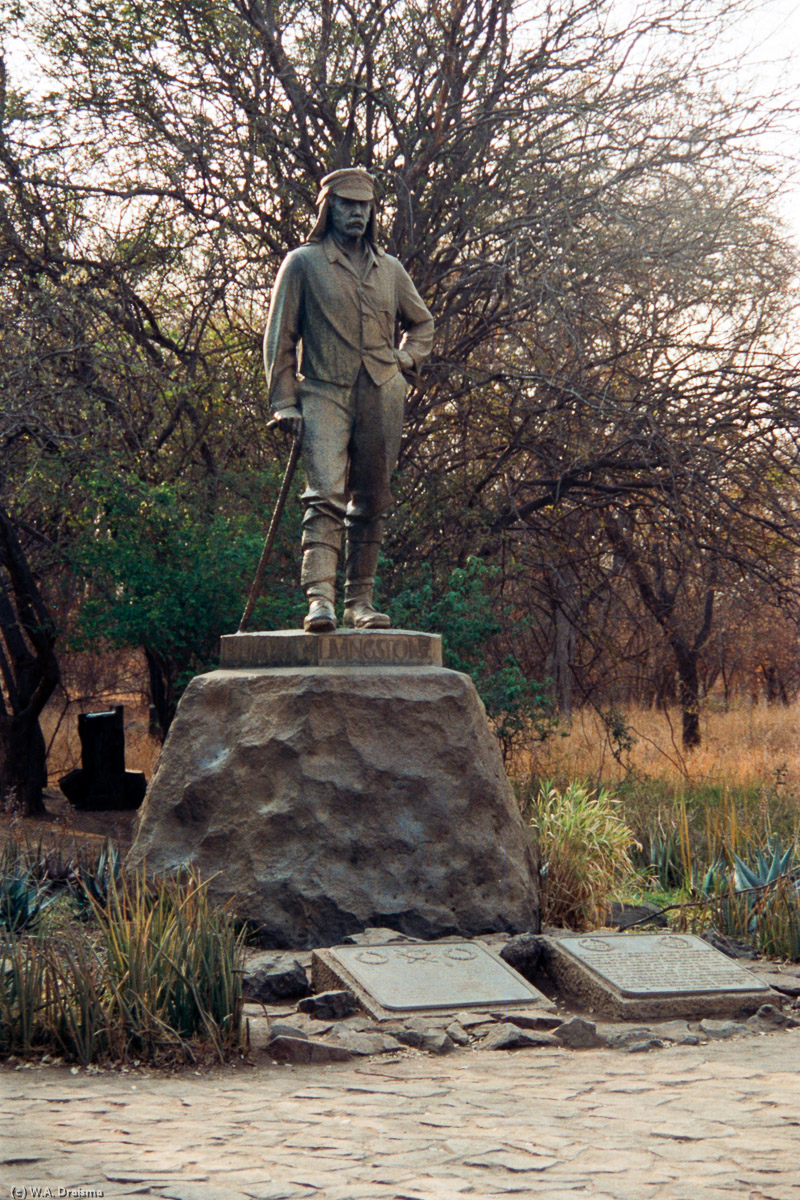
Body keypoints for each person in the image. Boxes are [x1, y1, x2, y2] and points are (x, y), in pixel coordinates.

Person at [263, 168, 434, 632]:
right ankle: (320, 600)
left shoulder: (391, 270)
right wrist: (284, 403)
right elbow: (280, 337)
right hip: (322, 391)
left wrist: (403, 360)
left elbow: (423, 324)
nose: (356, 213)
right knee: (324, 495)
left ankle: (361, 601)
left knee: (373, 498)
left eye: (364, 206)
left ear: (373, 211)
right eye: (346, 204)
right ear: (328, 209)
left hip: (381, 392)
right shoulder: (303, 263)